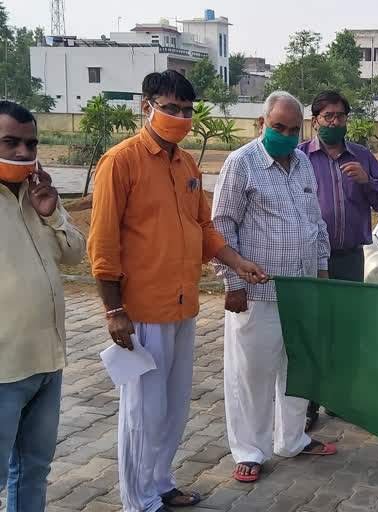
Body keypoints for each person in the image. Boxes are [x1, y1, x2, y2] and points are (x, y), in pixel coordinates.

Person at [88, 70, 267, 512]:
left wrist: (238, 262)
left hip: (183, 306)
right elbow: (103, 243)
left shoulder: (186, 164)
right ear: (145, 107)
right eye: (171, 108)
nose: (180, 117)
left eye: (187, 111)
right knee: (141, 414)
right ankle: (138, 500)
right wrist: (114, 311)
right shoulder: (120, 162)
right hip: (142, 311)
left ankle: (162, 483)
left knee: (171, 409)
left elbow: (203, 228)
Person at [212, 90, 336, 484]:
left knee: (298, 368)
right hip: (256, 292)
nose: (285, 134)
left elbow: (315, 223)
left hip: (301, 292)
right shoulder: (241, 163)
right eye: (278, 127)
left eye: (292, 128)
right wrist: (232, 282)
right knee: (252, 374)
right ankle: (249, 450)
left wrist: (321, 274)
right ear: (261, 125)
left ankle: (292, 439)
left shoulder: (302, 163)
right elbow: (221, 226)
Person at [0, 101, 85, 511]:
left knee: (34, 470)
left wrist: (51, 214)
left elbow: (74, 255)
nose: (22, 152)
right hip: (4, 370)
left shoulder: (38, 196)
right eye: (10, 142)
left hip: (48, 364)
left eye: (30, 144)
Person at [298, 90, 378, 430]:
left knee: (346, 333)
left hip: (350, 258)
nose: (335, 122)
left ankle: (339, 399)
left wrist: (368, 182)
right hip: (311, 261)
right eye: (328, 117)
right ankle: (307, 405)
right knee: (312, 332)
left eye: (340, 116)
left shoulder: (363, 156)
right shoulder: (300, 158)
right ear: (315, 121)